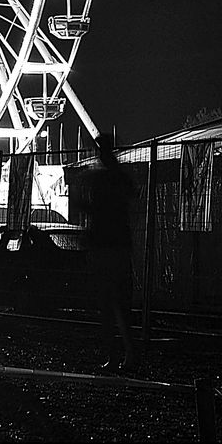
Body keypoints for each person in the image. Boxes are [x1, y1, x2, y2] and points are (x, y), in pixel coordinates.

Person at [85, 133, 136, 373]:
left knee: (106, 305)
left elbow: (96, 212)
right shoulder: (120, 177)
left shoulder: (101, 180)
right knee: (121, 305)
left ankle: (115, 356)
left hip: (105, 246)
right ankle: (129, 354)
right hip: (119, 245)